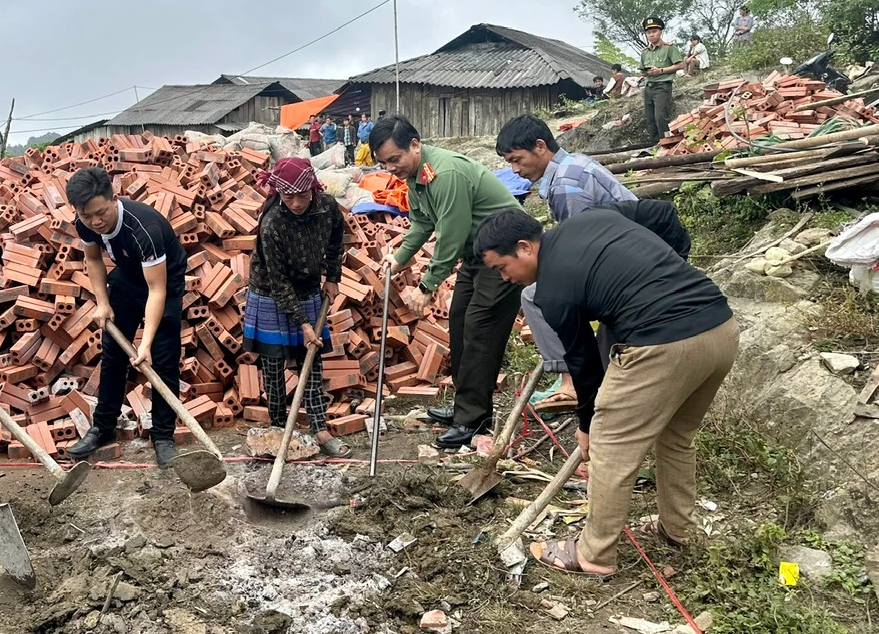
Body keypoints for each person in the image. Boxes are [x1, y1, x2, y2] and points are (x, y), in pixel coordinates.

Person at [474, 208, 737, 578]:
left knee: (611, 447)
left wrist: (589, 424)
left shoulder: (551, 292)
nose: (504, 278)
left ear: (524, 247)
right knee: (677, 437)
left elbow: (582, 362)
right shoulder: (591, 220)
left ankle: (593, 554)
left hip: (663, 346)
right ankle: (679, 529)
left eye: (502, 268)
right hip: (720, 329)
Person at [370, 115, 522, 449]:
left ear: (415, 144)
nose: (391, 168)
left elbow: (450, 236)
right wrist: (398, 259)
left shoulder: (445, 174)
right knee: (460, 323)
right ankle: (465, 406)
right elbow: (422, 224)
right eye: (384, 163)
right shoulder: (415, 177)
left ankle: (473, 420)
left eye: (394, 160)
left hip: (506, 255)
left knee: (480, 329)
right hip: (477, 253)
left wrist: (427, 287)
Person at [495, 114, 636, 414]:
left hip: (622, 267)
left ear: (540, 146)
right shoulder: (575, 164)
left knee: (535, 296)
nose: (515, 170)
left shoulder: (566, 185)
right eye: (509, 162)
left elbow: (578, 252)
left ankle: (570, 381)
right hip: (627, 253)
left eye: (517, 160)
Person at [64, 167, 188, 467]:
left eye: (100, 213)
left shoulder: (143, 228)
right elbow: (92, 259)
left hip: (165, 283)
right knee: (113, 355)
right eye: (85, 215)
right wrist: (103, 303)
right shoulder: (86, 224)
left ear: (114, 199)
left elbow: (156, 290)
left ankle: (162, 437)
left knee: (163, 358)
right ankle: (103, 428)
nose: (95, 222)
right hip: (128, 278)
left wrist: (144, 344)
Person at [243, 157, 351, 458]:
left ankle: (320, 428)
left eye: (301, 195)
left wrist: (332, 276)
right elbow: (278, 282)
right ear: (279, 193)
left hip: (308, 287)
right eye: (288, 196)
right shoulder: (272, 222)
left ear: (313, 189)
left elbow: (334, 242)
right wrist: (303, 323)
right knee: (274, 365)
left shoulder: (327, 207)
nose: (296, 203)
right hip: (269, 292)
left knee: (312, 361)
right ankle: (280, 429)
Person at [640, 17, 684, 146]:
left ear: (660, 32)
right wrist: (646, 73)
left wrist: (661, 70)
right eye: (648, 32)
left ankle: (668, 145)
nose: (651, 34)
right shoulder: (645, 52)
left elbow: (680, 65)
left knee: (660, 117)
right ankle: (656, 146)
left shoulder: (669, 48)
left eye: (654, 31)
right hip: (649, 87)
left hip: (663, 86)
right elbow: (642, 71)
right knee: (650, 119)